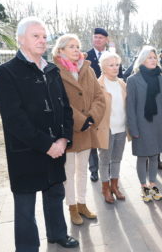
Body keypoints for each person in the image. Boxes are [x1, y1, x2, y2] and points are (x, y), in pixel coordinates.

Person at [0, 17, 78, 250]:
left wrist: (62, 138)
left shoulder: (51, 70)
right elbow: (14, 119)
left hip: (56, 147)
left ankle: (57, 234)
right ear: (21, 40)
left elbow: (65, 107)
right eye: (36, 36)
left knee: (55, 195)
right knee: (25, 207)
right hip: (26, 151)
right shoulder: (7, 72)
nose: (43, 41)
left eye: (44, 36)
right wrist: (47, 145)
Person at [52, 34, 105, 225]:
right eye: (71, 46)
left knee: (83, 169)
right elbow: (60, 102)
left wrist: (91, 117)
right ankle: (72, 207)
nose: (76, 50)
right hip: (69, 130)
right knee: (69, 171)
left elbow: (100, 96)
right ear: (60, 50)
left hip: (88, 127)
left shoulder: (87, 69)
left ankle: (82, 203)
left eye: (77, 46)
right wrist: (81, 120)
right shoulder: (54, 72)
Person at [126, 46, 162, 202]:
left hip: (158, 123)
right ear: (142, 60)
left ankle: (153, 185)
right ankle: (144, 187)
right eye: (149, 57)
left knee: (154, 156)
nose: (153, 60)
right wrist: (133, 128)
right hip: (141, 124)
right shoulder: (132, 80)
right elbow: (130, 107)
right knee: (142, 156)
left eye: (154, 57)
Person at [86, 27, 123, 182]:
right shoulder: (86, 56)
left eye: (101, 37)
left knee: (110, 151)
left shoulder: (113, 57)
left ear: (106, 39)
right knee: (95, 142)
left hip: (112, 102)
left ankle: (109, 176)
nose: (98, 40)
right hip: (93, 99)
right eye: (95, 37)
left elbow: (119, 76)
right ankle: (94, 170)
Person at [97, 52, 128, 203]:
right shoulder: (98, 84)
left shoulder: (122, 83)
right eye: (111, 65)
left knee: (117, 159)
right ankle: (105, 189)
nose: (115, 68)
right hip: (106, 129)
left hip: (121, 128)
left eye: (117, 64)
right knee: (104, 160)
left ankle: (115, 186)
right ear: (103, 67)